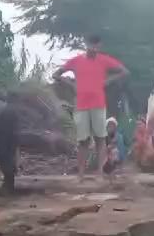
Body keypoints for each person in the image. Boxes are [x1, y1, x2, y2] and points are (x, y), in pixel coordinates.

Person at [53, 35, 129, 178]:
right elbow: (56, 75)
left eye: (97, 46)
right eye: (91, 46)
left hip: (98, 104)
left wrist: (107, 81)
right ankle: (80, 175)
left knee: (100, 139)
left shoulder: (104, 60)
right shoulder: (76, 61)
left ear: (100, 46)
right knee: (83, 141)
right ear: (86, 44)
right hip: (81, 105)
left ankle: (99, 174)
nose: (94, 49)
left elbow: (124, 71)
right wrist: (72, 85)